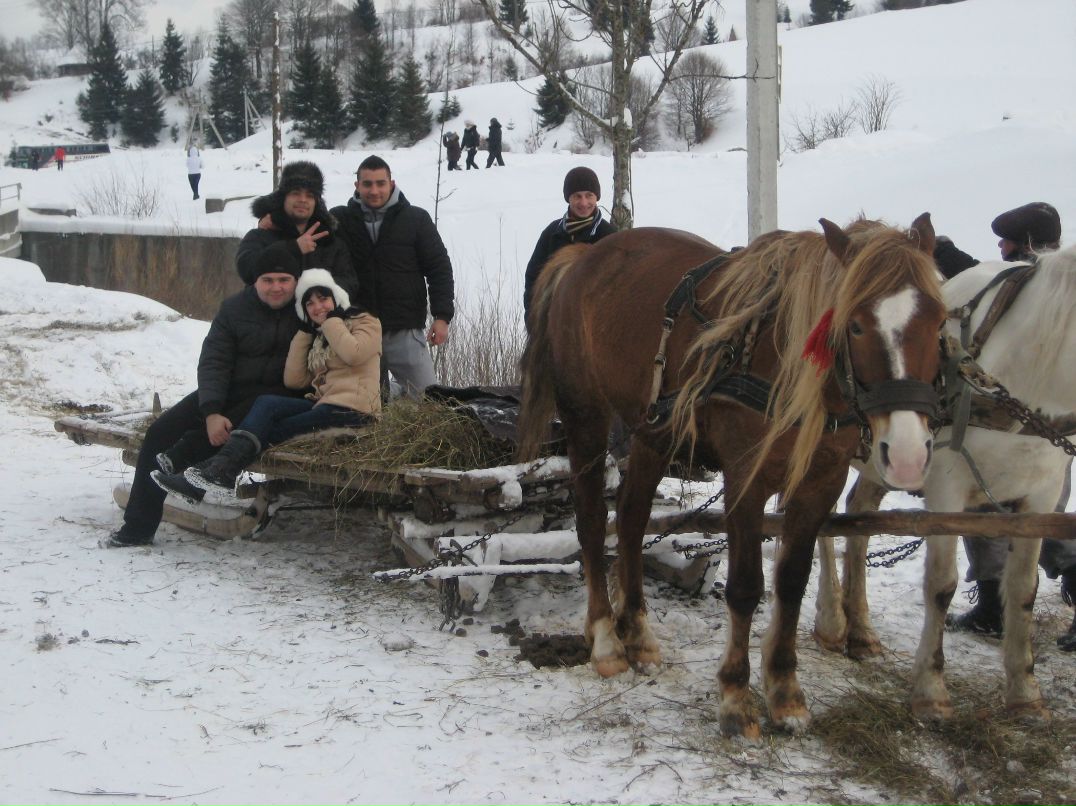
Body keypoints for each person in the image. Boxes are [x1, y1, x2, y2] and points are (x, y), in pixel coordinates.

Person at [940, 202, 1076, 651]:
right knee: (1045, 518)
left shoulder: (1039, 283)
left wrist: (945, 257)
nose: (1001, 246)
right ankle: (997, 606)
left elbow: (996, 283)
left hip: (1017, 428)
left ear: (1027, 245)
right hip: (1053, 430)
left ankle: (994, 609)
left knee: (1008, 516)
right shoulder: (1060, 281)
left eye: (1008, 240)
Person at [105, 243, 303, 548]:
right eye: (268, 280)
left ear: (295, 280)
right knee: (160, 432)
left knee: (252, 407)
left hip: (275, 398)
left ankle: (186, 465)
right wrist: (211, 411)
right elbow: (214, 361)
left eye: (283, 280)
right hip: (227, 390)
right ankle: (138, 527)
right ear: (255, 282)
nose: (276, 287)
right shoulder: (235, 309)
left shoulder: (307, 310)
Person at [152, 268, 382, 505]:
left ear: (336, 297)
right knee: (265, 404)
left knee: (262, 430)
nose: (317, 307)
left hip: (355, 410)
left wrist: (332, 320)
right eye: (309, 303)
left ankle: (208, 478)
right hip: (324, 407)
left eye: (323, 298)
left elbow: (354, 354)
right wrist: (304, 333)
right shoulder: (320, 336)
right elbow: (295, 381)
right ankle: (210, 478)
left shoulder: (365, 321)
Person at [331, 155, 454, 400]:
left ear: (392, 183)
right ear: (357, 186)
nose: (374, 190)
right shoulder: (339, 220)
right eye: (367, 184)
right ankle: (389, 395)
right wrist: (268, 220)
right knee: (367, 404)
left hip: (404, 327)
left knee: (429, 401)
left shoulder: (416, 219)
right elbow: (303, 223)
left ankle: (396, 394)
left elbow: (439, 268)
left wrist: (442, 317)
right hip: (357, 329)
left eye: (380, 183)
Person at [236, 160, 358, 301]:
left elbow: (350, 283)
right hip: (267, 321)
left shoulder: (329, 241)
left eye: (310, 195)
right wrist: (293, 248)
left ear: (317, 202)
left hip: (316, 320)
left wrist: (315, 292)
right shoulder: (259, 235)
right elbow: (247, 269)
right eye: (296, 193)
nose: (303, 200)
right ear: (283, 197)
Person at [523, 166, 616, 322]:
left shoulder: (609, 236)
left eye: (589, 195)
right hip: (552, 326)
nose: (584, 202)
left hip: (592, 327)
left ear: (596, 198)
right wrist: (533, 321)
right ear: (568, 198)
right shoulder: (552, 233)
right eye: (577, 196)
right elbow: (533, 279)